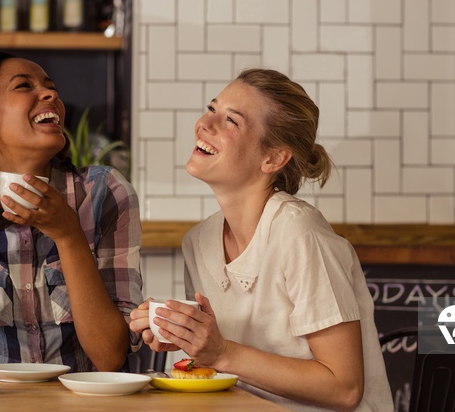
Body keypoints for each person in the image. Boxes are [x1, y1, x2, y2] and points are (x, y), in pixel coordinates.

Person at [129, 68, 393, 411]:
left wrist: (221, 352)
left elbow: (344, 388)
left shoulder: (300, 232)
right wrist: (186, 340)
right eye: (212, 109)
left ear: (273, 158)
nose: (205, 124)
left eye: (231, 121)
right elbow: (230, 367)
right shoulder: (199, 241)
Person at [0, 52, 143, 372]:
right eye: (23, 86)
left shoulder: (105, 192)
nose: (51, 94)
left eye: (51, 87)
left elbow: (110, 356)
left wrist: (68, 234)